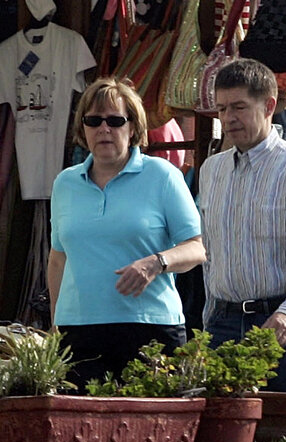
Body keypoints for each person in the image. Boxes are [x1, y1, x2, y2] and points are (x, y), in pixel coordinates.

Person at [48, 76, 206, 390]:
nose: (104, 129)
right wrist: (55, 327)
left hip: (149, 329)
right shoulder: (65, 183)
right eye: (94, 121)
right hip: (77, 332)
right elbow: (58, 260)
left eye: (115, 120)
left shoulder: (162, 175)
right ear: (83, 129)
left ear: (132, 127)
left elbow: (197, 248)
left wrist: (155, 263)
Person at [199, 58, 286, 392]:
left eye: (239, 107)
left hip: (285, 323)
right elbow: (211, 253)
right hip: (224, 325)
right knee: (225, 438)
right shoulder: (211, 170)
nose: (229, 118)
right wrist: (209, 320)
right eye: (221, 109)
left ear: (269, 105)